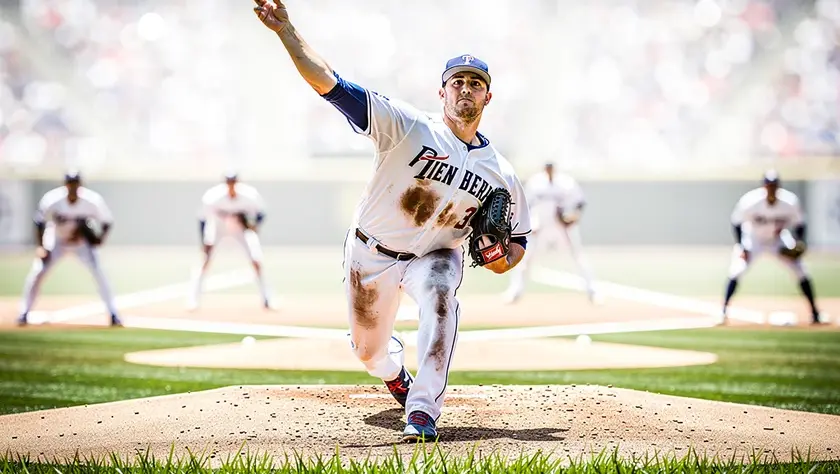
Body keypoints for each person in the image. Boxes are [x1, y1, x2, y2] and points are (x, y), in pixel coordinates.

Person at [252, 0, 531, 442]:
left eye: (475, 84)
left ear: (487, 96)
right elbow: (331, 84)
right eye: (457, 81)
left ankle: (422, 411)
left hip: (436, 256)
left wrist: (499, 259)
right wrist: (286, 31)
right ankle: (393, 372)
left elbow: (517, 245)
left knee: (442, 298)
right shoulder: (407, 126)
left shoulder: (502, 173)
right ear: (441, 92)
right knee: (369, 351)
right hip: (370, 252)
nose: (465, 89)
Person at [18, 171, 122, 327]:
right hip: (57, 241)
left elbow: (107, 221)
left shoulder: (92, 200)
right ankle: (24, 313)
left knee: (100, 274)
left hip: (81, 244)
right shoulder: (53, 199)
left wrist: (99, 239)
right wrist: (41, 247)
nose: (73, 187)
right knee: (38, 272)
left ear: (80, 185)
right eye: (70, 183)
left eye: (76, 183)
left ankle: (113, 314)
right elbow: (39, 221)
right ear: (65, 185)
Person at [721, 170, 823, 325]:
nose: (771, 189)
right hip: (753, 239)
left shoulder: (789, 202)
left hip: (778, 240)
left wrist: (799, 242)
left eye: (774, 186)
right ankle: (724, 311)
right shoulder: (751, 201)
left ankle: (815, 313)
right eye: (769, 186)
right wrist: (742, 246)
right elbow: (736, 222)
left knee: (800, 270)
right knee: (737, 269)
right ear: (764, 187)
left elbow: (800, 223)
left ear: (778, 187)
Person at [503, 162, 599, 304]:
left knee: (578, 256)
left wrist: (573, 217)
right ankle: (515, 290)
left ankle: (593, 290)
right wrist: (529, 224)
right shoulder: (536, 183)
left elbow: (579, 203)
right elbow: (526, 205)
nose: (549, 170)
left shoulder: (566, 183)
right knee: (525, 257)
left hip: (562, 226)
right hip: (540, 225)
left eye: (551, 167)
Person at [188, 173, 273, 310]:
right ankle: (193, 299)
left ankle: (267, 298)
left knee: (256, 259)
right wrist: (204, 241)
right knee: (205, 260)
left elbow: (261, 213)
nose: (231, 185)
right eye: (229, 182)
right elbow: (202, 218)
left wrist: (254, 224)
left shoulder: (249, 195)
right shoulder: (214, 196)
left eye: (233, 182)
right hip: (219, 227)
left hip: (240, 228)